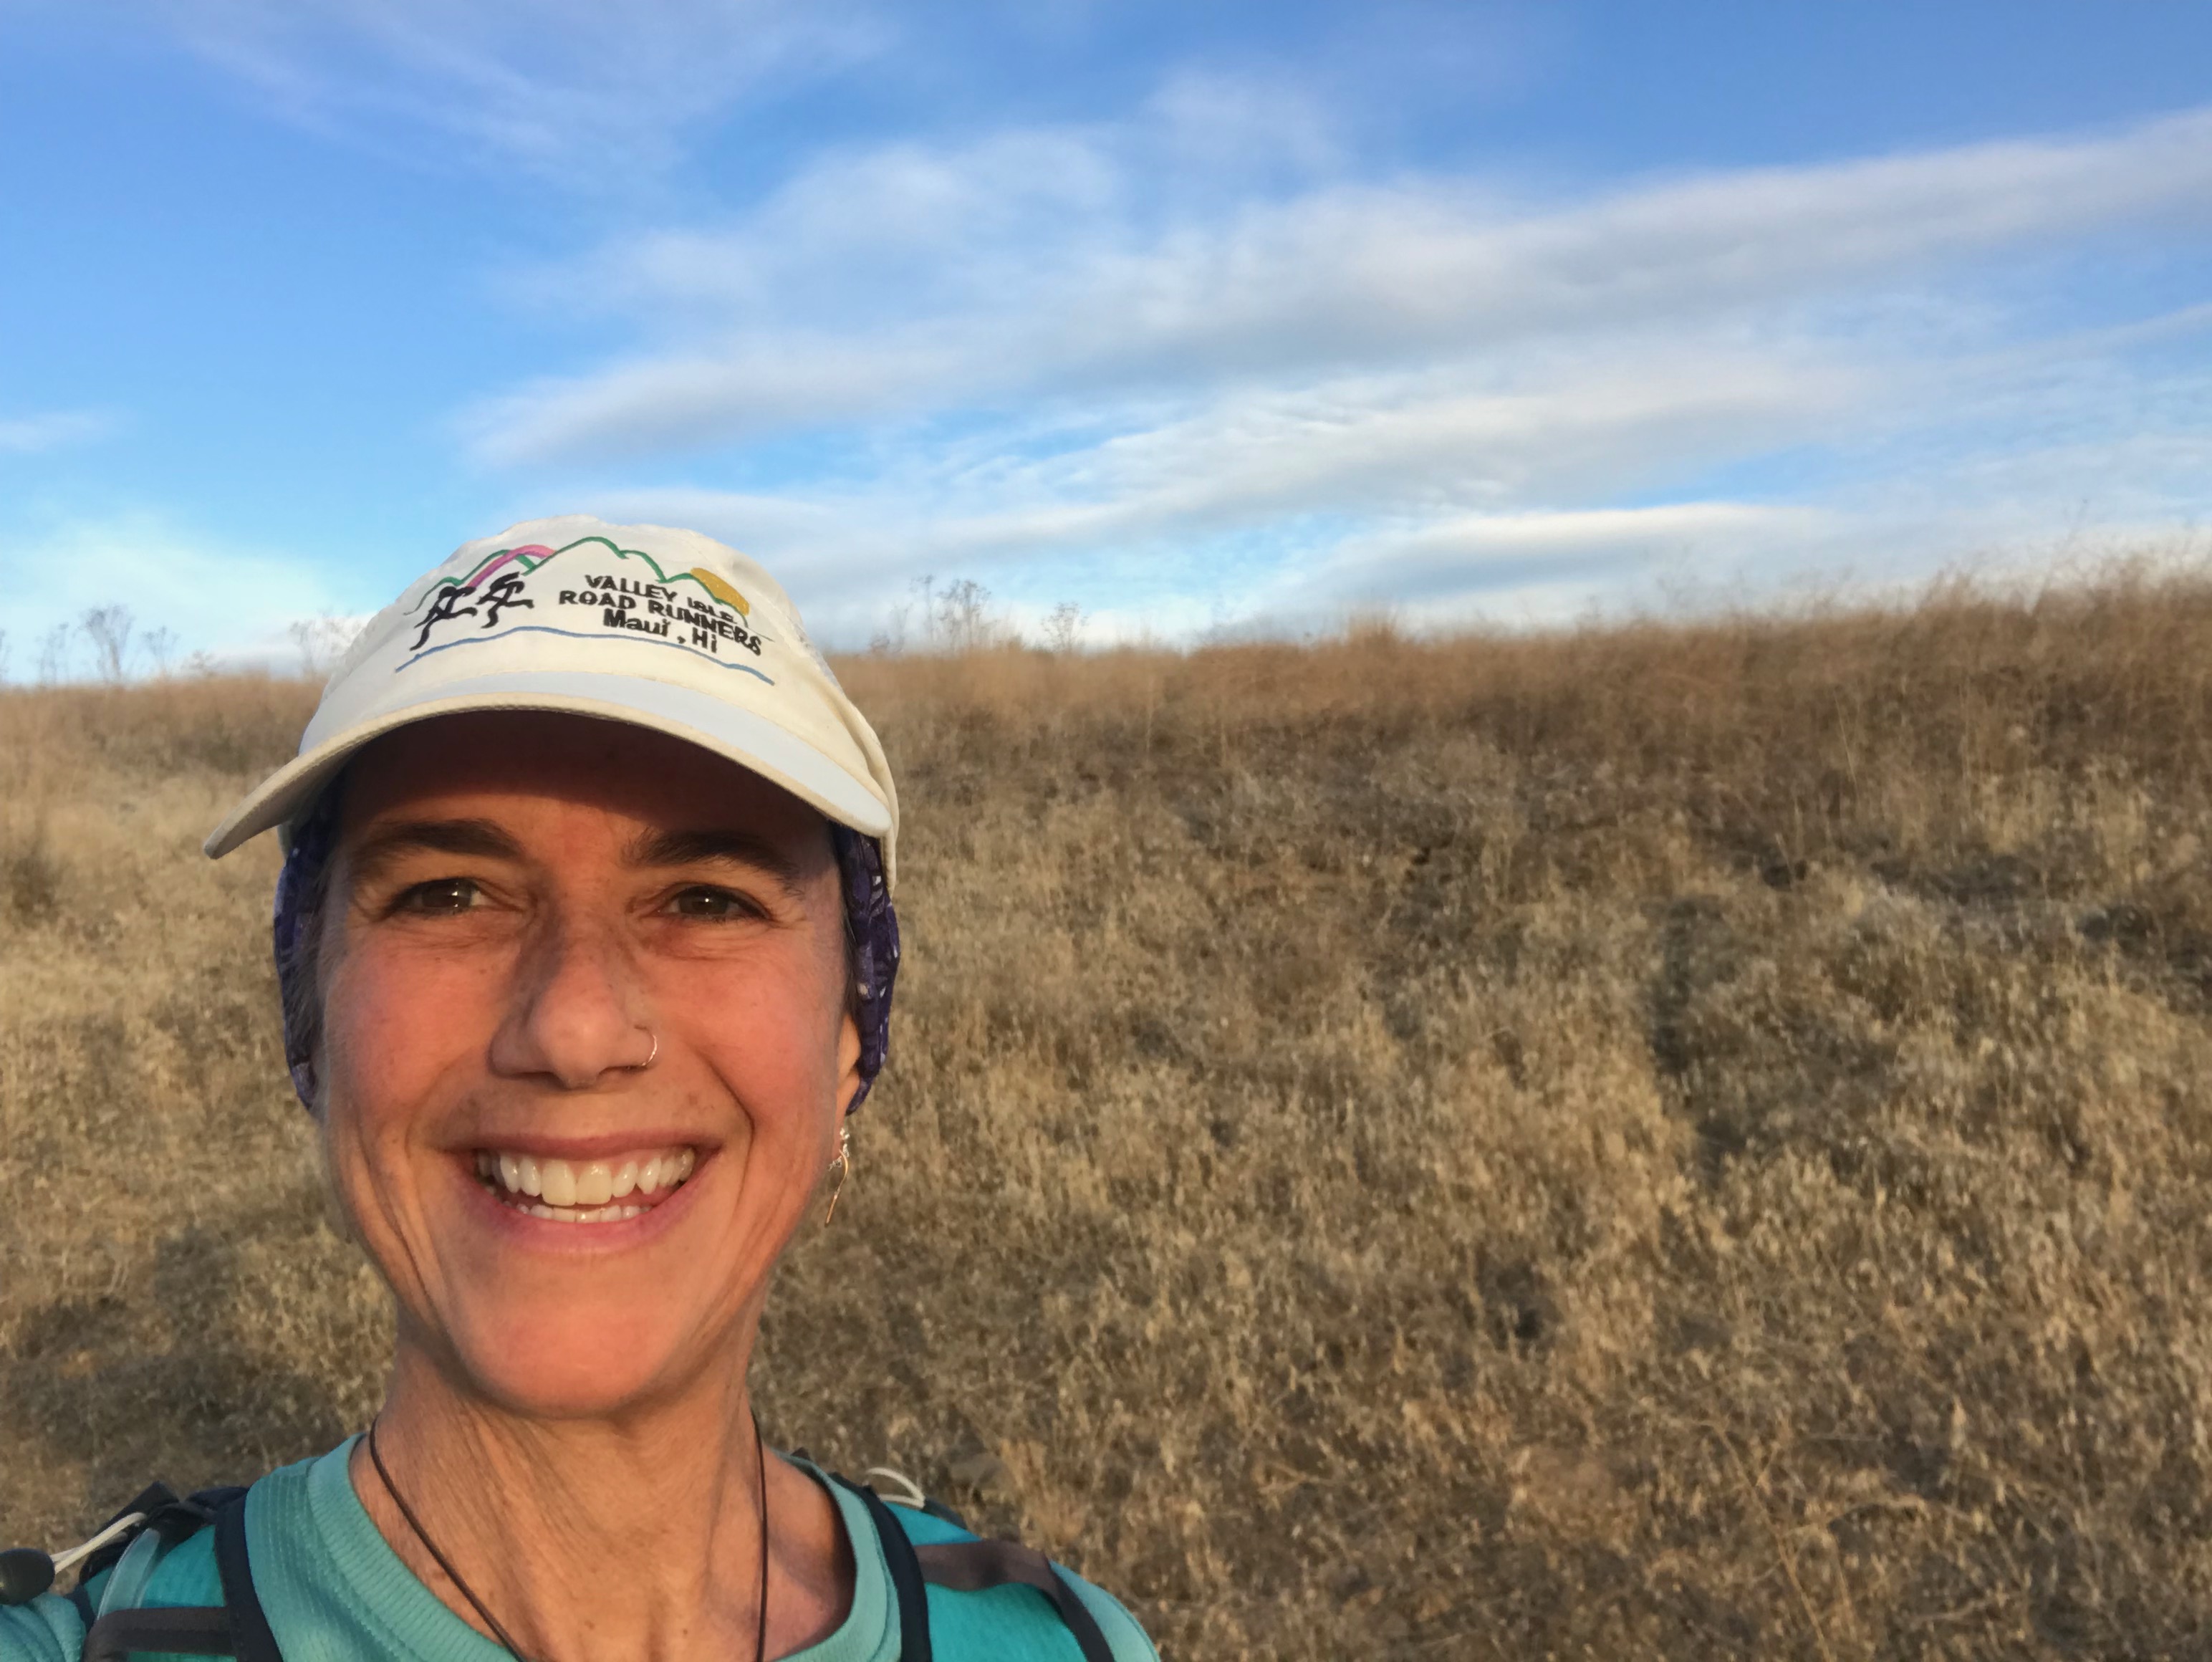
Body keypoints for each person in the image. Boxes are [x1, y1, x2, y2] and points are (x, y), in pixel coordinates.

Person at [0, 518, 1156, 1662]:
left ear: (851, 1039)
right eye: (448, 893)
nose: (574, 1027)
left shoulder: (1067, 1645)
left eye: (708, 900)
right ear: (313, 1026)